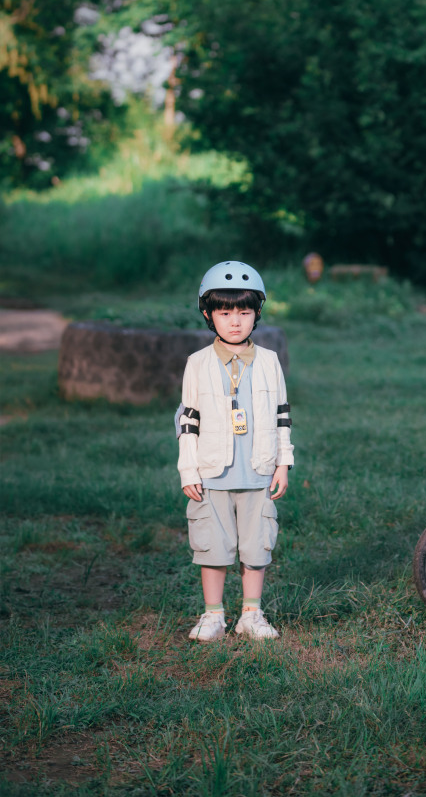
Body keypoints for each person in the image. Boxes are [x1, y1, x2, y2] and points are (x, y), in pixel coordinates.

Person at [176, 261, 293, 641]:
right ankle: (213, 616)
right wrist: (189, 471)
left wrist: (283, 462)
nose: (235, 321)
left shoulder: (269, 362)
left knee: (257, 545)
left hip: (257, 471)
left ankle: (251, 614)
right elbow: (187, 421)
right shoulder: (197, 364)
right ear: (208, 314)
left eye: (244, 312)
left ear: (257, 313)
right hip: (212, 473)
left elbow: (282, 416)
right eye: (225, 312)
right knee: (212, 546)